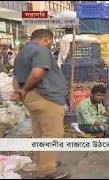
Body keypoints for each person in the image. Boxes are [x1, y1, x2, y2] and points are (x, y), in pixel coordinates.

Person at [10, 29, 69, 179]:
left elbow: (16, 77)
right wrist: (25, 89)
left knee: (39, 132)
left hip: (32, 97)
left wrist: (21, 91)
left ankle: (41, 163)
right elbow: (37, 73)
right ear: (47, 39)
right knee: (52, 133)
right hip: (46, 96)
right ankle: (47, 171)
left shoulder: (22, 52)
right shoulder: (41, 50)